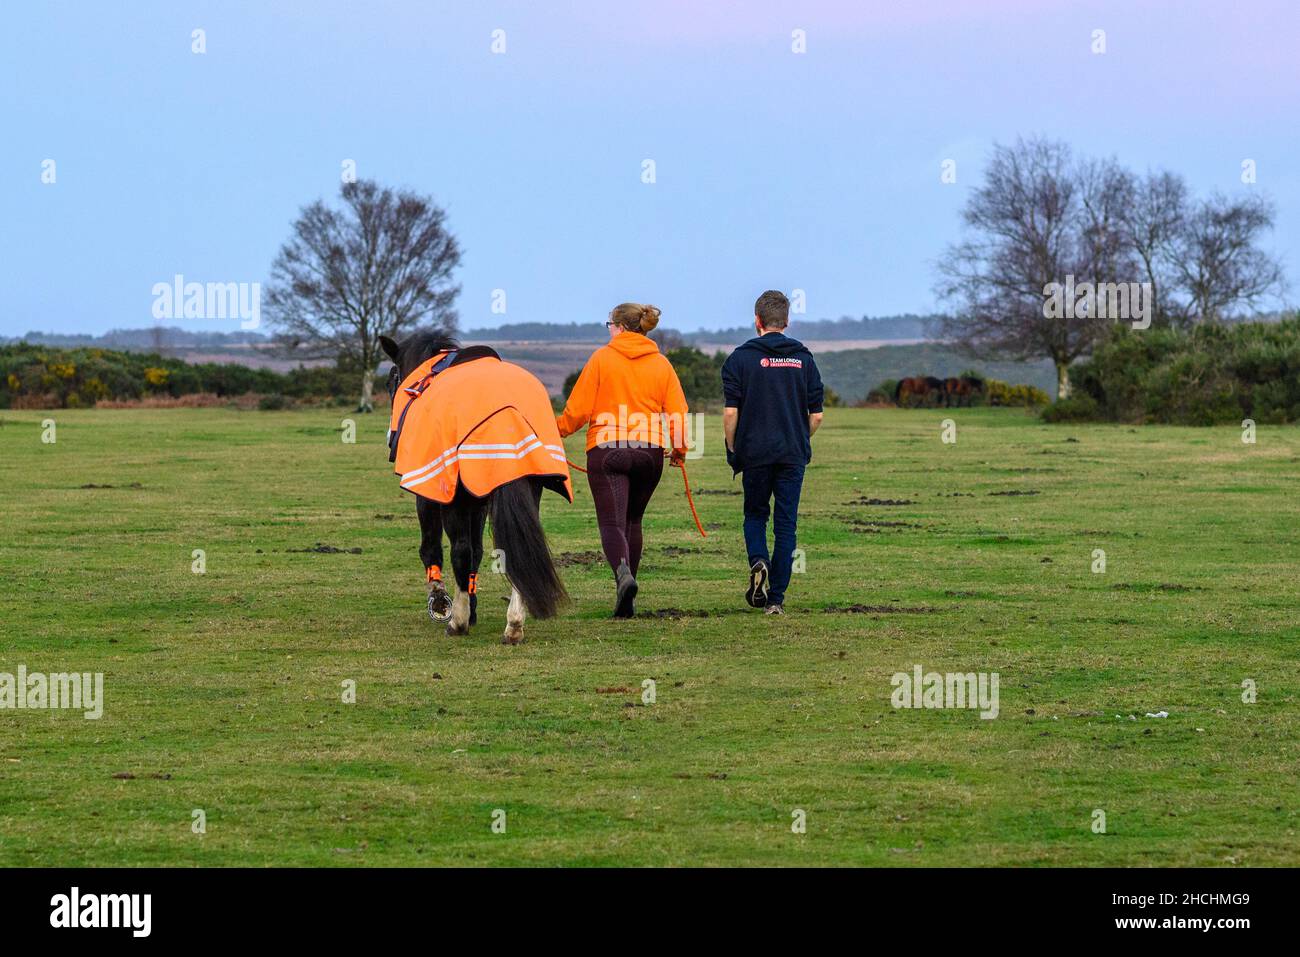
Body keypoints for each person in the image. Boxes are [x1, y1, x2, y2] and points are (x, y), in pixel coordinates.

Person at [557, 303, 689, 618]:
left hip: (607, 449)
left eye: (608, 324)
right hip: (649, 451)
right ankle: (628, 588)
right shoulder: (661, 363)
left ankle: (622, 576)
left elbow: (577, 412)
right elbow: (678, 413)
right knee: (633, 521)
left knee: (612, 522)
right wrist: (680, 449)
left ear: (618, 327)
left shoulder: (602, 358)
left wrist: (554, 431)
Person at [721, 290, 824, 615]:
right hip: (792, 454)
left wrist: (733, 446)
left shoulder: (739, 358)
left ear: (757, 321)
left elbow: (730, 413)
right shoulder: (804, 359)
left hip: (755, 453)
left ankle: (758, 560)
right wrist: (797, 438)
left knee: (754, 514)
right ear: (786, 321)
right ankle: (776, 599)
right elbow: (817, 415)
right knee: (786, 524)